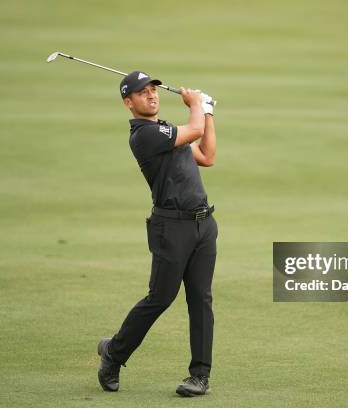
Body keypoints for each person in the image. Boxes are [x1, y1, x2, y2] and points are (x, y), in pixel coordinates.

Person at [96, 70, 218, 398]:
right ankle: (114, 353)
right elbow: (193, 130)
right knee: (160, 297)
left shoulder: (167, 132)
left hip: (203, 224)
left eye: (152, 89)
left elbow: (207, 156)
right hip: (171, 228)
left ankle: (200, 376)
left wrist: (208, 112)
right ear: (128, 102)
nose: (151, 95)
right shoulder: (144, 135)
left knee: (201, 299)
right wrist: (196, 105)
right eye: (141, 92)